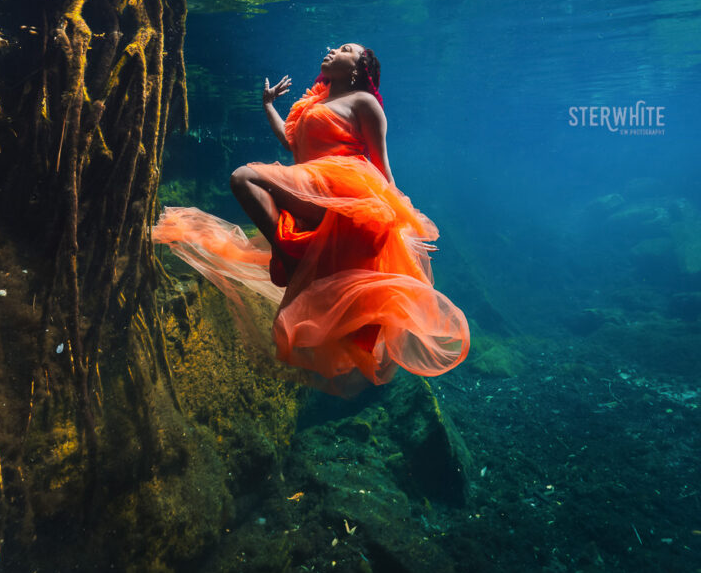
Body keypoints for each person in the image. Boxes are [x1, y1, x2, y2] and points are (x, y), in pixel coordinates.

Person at [154, 43, 469, 394]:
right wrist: (268, 105)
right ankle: (292, 254)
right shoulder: (316, 101)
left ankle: (291, 256)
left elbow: (383, 169)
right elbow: (292, 143)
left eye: (345, 49)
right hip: (308, 183)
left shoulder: (365, 102)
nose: (333, 49)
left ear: (358, 67)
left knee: (244, 177)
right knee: (244, 180)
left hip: (344, 190)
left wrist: (404, 224)